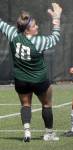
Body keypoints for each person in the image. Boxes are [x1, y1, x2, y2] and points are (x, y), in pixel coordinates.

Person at [0, 3, 62, 142]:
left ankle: (27, 132)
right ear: (27, 30)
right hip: (39, 80)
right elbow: (55, 36)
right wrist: (56, 18)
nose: (37, 27)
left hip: (21, 80)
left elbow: (1, 24)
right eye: (34, 26)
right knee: (46, 104)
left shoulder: (12, 34)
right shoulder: (39, 41)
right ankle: (49, 133)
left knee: (25, 105)